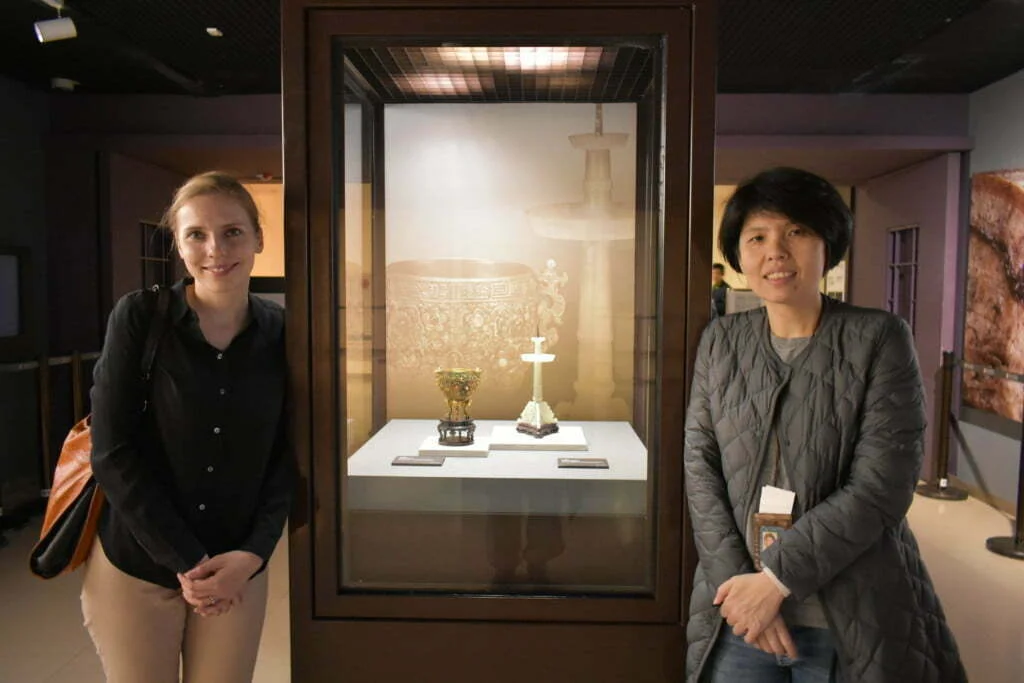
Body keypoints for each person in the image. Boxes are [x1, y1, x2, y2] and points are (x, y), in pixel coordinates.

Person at [683, 167, 965, 682]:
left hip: (846, 613)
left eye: (797, 232)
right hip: (738, 611)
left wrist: (776, 581)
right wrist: (741, 589)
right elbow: (700, 468)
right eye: (758, 237)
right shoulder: (721, 342)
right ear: (739, 254)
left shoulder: (878, 338)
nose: (776, 251)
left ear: (828, 245)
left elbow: (882, 486)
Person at [83, 171, 293, 683]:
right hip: (137, 563)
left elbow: (288, 455)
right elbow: (112, 451)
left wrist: (253, 553)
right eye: (196, 234)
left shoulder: (282, 332)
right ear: (178, 245)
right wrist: (188, 560)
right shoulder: (139, 317)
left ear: (259, 238)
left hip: (237, 566)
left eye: (233, 231)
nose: (215, 248)